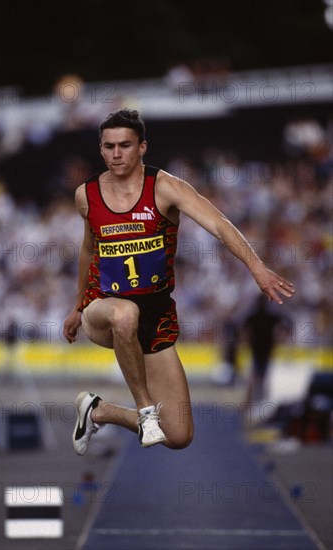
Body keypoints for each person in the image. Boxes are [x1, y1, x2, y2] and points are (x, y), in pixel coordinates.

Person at [63, 109, 295, 455]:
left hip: (155, 316)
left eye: (124, 145)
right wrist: (77, 305)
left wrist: (256, 268)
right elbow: (88, 248)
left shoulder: (166, 187)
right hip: (103, 309)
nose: (116, 154)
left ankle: (99, 410)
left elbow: (218, 224)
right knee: (124, 314)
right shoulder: (87, 194)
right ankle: (145, 411)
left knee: (178, 434)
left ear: (142, 147)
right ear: (100, 149)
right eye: (108, 146)